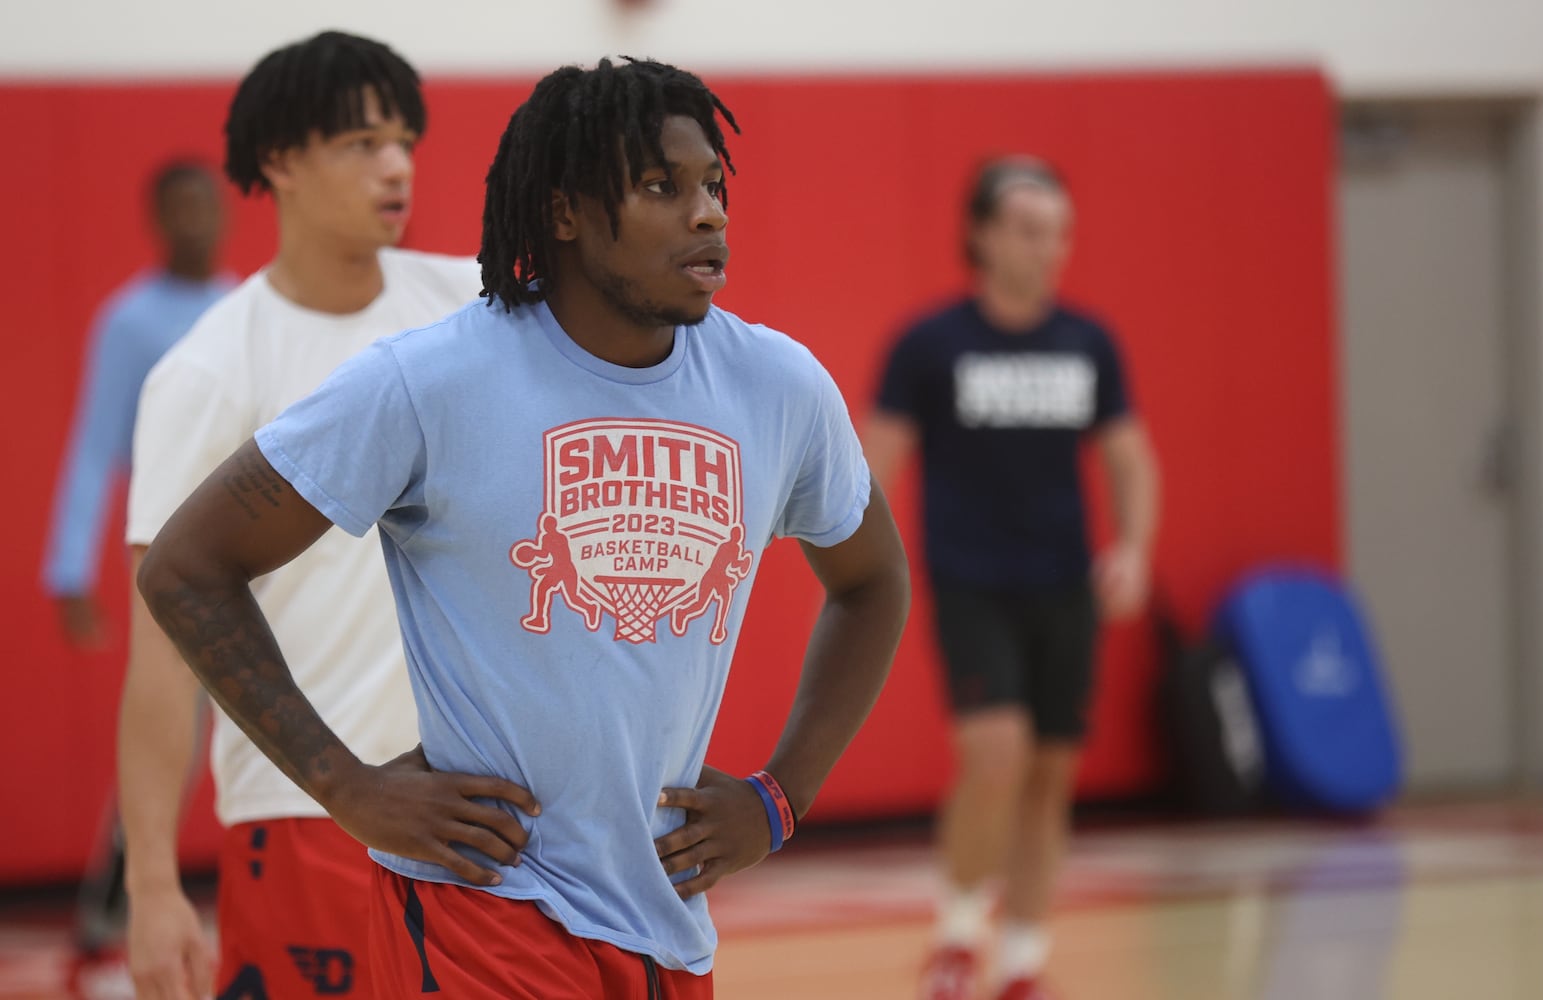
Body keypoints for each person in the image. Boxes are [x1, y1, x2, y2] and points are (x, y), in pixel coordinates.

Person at [136, 56, 911, 999]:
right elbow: (185, 566)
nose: (706, 213)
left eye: (712, 184)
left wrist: (780, 797)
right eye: (660, 188)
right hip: (478, 909)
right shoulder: (426, 381)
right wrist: (343, 784)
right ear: (563, 213)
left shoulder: (780, 386)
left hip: (664, 919)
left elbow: (873, 580)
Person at [118, 31, 482, 1000]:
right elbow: (164, 653)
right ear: (280, 161)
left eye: (404, 139)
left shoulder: (472, 307)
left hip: (479, 812)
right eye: (362, 143)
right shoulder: (208, 369)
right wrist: (151, 881)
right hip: (307, 807)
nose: (396, 165)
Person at [864, 157, 1160, 1000]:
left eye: (1060, 231)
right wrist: (864, 572)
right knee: (995, 756)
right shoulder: (929, 345)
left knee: (1049, 776)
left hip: (1064, 585)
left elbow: (1129, 454)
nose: (1049, 248)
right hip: (968, 581)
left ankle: (1023, 961)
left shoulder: (1087, 342)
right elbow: (875, 461)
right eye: (1030, 229)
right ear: (982, 235)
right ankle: (958, 935)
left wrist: (1134, 546)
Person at [39, 159, 230, 954]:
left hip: (257, 548)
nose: (194, 221)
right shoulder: (129, 321)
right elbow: (93, 447)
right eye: (178, 208)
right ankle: (121, 892)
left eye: (205, 205)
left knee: (276, 720)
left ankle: (284, 885)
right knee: (170, 732)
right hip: (166, 551)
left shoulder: (247, 305)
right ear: (157, 218)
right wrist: (68, 568)